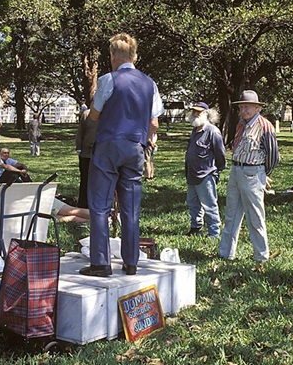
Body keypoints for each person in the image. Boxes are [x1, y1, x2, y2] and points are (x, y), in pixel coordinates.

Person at [79, 32, 164, 277]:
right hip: (135, 147)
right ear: (134, 55)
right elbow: (154, 123)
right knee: (131, 207)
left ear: (113, 55)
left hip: (108, 145)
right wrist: (145, 142)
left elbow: (94, 116)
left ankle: (101, 263)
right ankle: (131, 261)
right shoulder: (150, 83)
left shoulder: (108, 79)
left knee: (100, 205)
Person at [218, 90, 279, 270]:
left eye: (247, 106)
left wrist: (263, 173)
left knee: (255, 216)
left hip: (253, 173)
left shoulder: (265, 125)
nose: (244, 110)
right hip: (236, 170)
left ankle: (261, 255)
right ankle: (226, 253)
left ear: (257, 107)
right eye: (241, 107)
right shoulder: (241, 125)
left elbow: (274, 155)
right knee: (231, 214)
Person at [185, 101, 226, 237]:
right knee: (193, 203)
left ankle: (214, 233)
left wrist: (216, 171)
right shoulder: (194, 130)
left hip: (206, 175)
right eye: (194, 111)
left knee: (210, 205)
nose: (195, 114)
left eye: (199, 112)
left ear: (207, 114)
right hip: (192, 174)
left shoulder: (213, 132)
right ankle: (195, 227)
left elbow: (220, 155)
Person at [75, 108, 97, 208]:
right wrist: (79, 148)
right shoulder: (86, 114)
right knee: (85, 180)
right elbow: (80, 132)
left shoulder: (108, 112)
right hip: (86, 154)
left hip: (101, 153)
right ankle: (83, 203)